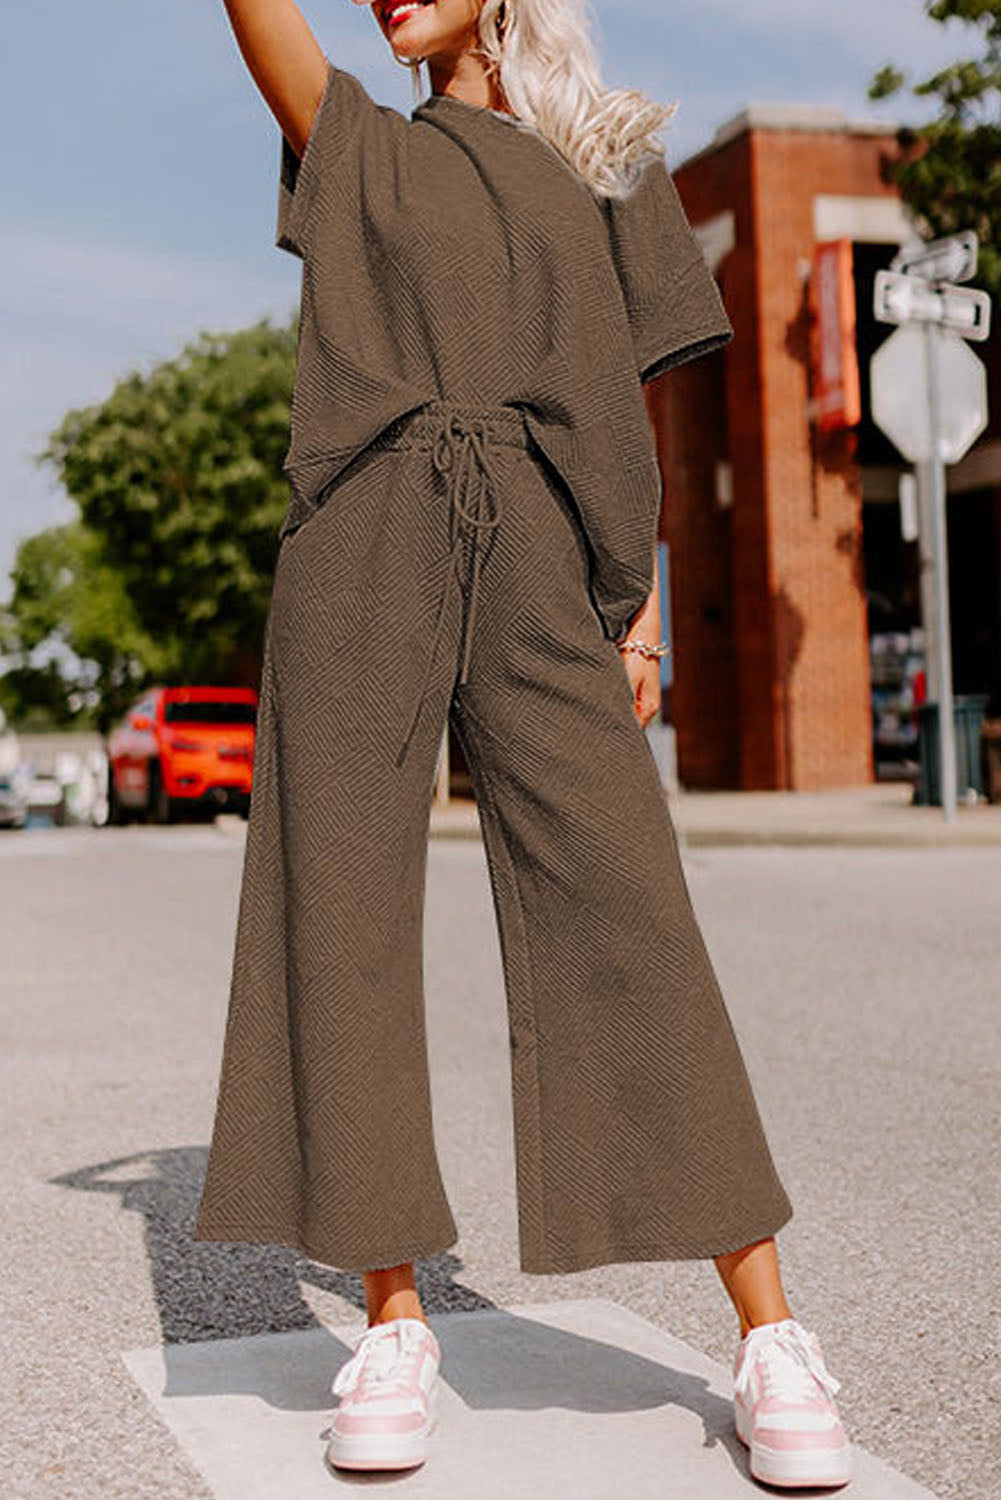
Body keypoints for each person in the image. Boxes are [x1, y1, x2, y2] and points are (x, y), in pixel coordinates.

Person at [193, 0, 853, 1488]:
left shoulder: (610, 157)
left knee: (628, 914)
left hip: (549, 553)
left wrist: (636, 608)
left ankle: (767, 1331)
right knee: (339, 914)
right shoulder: (359, 141)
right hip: (363, 535)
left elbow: (632, 407)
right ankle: (390, 1312)